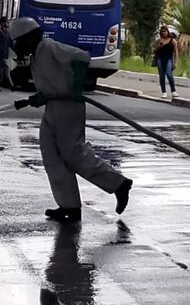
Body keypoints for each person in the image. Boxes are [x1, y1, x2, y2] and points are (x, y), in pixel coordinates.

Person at [11, 17, 132, 222]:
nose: (17, 47)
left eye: (19, 42)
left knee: (73, 154)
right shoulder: (36, 56)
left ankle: (118, 184)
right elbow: (52, 84)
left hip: (68, 107)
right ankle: (69, 206)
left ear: (29, 38)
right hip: (53, 107)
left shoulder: (49, 47)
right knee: (51, 155)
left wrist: (76, 88)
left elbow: (81, 58)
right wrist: (37, 98)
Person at [153, 26, 179, 99]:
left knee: (169, 74)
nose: (164, 33)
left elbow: (176, 52)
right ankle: (164, 92)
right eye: (162, 31)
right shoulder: (159, 41)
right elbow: (154, 51)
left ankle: (173, 91)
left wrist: (175, 62)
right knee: (162, 76)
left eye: (165, 31)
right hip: (160, 59)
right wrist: (160, 46)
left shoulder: (172, 41)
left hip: (168, 59)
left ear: (168, 32)